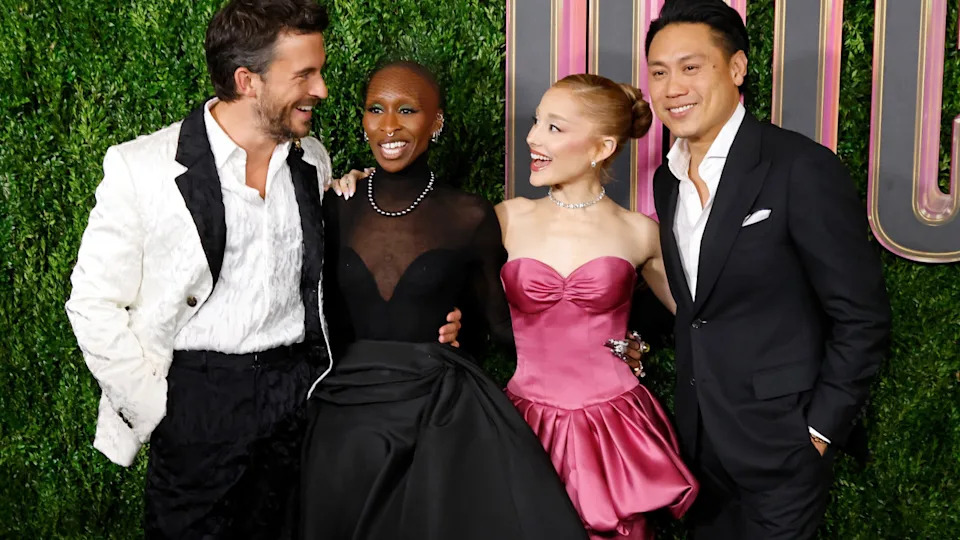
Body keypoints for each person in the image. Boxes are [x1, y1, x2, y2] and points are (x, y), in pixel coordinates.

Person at [64, 2, 461, 537]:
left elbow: (342, 267)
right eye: (305, 75)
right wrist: (158, 406)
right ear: (246, 80)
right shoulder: (141, 167)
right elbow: (92, 303)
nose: (321, 89)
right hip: (197, 397)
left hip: (294, 395)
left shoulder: (312, 160)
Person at [299, 61, 587, 540]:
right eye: (376, 109)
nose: (389, 126)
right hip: (343, 420)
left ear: (436, 122)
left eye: (407, 110)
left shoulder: (469, 214)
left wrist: (610, 336)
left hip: (435, 417)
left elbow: (497, 327)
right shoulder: (333, 203)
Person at [644, 1, 891, 538]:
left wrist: (820, 429)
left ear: (736, 69)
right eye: (659, 72)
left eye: (691, 67)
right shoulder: (668, 181)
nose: (672, 87)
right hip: (699, 446)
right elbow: (700, 305)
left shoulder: (800, 167)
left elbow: (861, 315)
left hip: (783, 445)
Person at [493, 73, 698, 540]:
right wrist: (363, 184)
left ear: (602, 148)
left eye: (554, 127)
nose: (533, 137)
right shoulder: (506, 219)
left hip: (611, 426)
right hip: (527, 420)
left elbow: (696, 321)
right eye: (537, 122)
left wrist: (637, 348)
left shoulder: (639, 233)